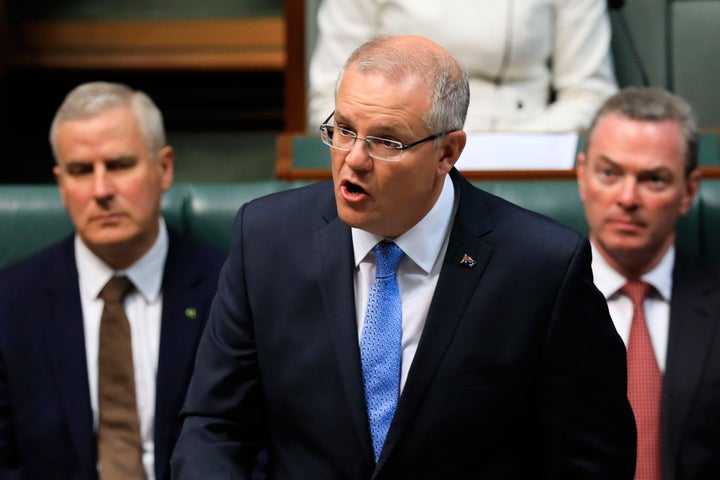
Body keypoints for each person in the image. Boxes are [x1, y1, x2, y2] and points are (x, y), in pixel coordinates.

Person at [171, 35, 635, 479]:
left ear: (446, 152)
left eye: (386, 142)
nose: (353, 160)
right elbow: (215, 429)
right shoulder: (266, 240)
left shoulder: (542, 267)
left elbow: (592, 456)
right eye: (344, 130)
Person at [0, 81, 226, 480]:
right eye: (81, 171)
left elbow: (261, 448)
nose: (101, 190)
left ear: (164, 167)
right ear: (61, 184)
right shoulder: (11, 303)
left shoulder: (229, 290)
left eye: (120, 165)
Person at [576, 86, 720, 480]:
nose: (627, 197)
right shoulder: (528, 303)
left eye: (653, 179)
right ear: (582, 177)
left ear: (688, 191)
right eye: (609, 173)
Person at [307, 0, 618, 133]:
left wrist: (519, 149)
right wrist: (392, 146)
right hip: (397, 150)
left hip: (523, 146)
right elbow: (328, 100)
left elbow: (590, 94)